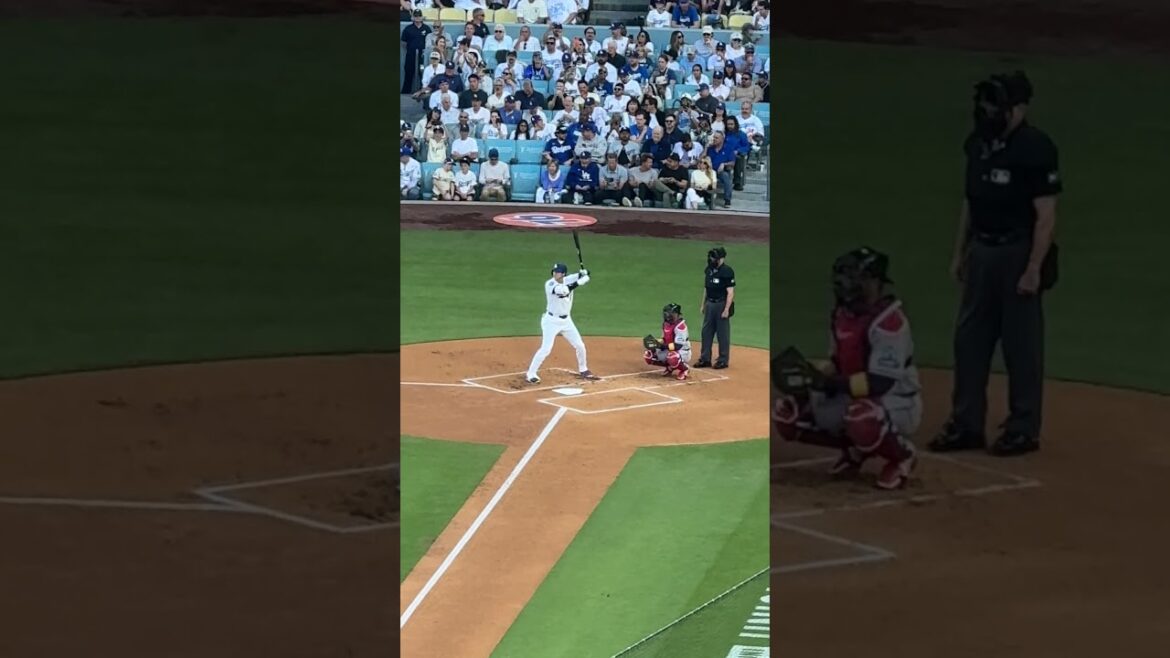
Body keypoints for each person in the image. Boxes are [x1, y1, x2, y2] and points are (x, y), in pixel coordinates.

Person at [930, 71, 1061, 457]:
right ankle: (966, 423)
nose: (988, 111)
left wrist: (1034, 266)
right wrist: (960, 253)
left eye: (996, 104)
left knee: (1022, 347)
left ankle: (1023, 427)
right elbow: (970, 202)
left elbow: (1046, 214)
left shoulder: (1036, 148)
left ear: (1019, 108)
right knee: (969, 341)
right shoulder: (978, 144)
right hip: (982, 251)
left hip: (1018, 251)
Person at [773, 248, 921, 489]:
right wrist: (813, 377)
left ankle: (902, 456)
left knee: (862, 417)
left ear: (874, 281)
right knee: (788, 413)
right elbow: (838, 362)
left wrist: (830, 384)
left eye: (855, 278)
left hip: (896, 401)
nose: (846, 284)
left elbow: (880, 382)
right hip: (853, 395)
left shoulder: (889, 322)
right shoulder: (843, 315)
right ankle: (854, 450)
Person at [525, 263, 599, 383]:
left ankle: (583, 369)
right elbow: (564, 291)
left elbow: (579, 275)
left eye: (558, 272)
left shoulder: (567, 279)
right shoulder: (550, 284)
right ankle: (531, 374)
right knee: (546, 349)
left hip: (566, 321)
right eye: (554, 271)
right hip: (551, 321)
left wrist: (584, 273)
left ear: (563, 274)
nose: (555, 273)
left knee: (580, 345)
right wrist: (580, 282)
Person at [697, 246, 734, 369]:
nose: (712, 259)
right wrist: (703, 304)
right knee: (706, 332)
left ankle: (723, 360)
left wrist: (726, 309)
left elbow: (730, 292)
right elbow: (706, 288)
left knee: (722, 334)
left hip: (721, 304)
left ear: (722, 258)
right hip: (710, 304)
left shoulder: (727, 271)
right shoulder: (708, 270)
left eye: (715, 257)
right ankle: (705, 358)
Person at [643, 303, 692, 381]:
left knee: (672, 357)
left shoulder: (680, 326)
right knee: (649, 355)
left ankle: (684, 369)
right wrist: (656, 343)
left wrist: (662, 346)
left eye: (670, 313)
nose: (668, 315)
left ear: (676, 314)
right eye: (667, 313)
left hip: (682, 352)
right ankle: (670, 367)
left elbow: (677, 346)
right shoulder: (666, 324)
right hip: (670, 349)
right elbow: (664, 339)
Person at [401, 10, 433, 94]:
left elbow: (430, 42)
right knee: (409, 73)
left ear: (422, 17)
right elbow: (403, 42)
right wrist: (410, 49)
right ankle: (406, 92)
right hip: (410, 55)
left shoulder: (427, 28)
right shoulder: (408, 29)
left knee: (422, 73)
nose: (417, 18)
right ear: (412, 17)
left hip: (422, 56)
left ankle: (421, 92)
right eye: (416, 16)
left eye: (419, 16)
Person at [706, 129, 735, 207]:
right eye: (714, 137)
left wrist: (724, 164)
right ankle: (707, 198)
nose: (714, 139)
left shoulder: (728, 148)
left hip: (720, 171)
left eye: (716, 138)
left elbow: (732, 162)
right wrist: (706, 148)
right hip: (709, 170)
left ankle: (727, 200)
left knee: (725, 176)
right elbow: (701, 158)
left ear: (722, 139)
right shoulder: (710, 148)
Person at [722, 116, 751, 190]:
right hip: (724, 154)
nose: (730, 126)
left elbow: (747, 147)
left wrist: (738, 150)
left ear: (735, 124)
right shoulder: (724, 134)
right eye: (728, 124)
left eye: (732, 124)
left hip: (736, 155)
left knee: (738, 159)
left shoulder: (741, 134)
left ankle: (737, 182)